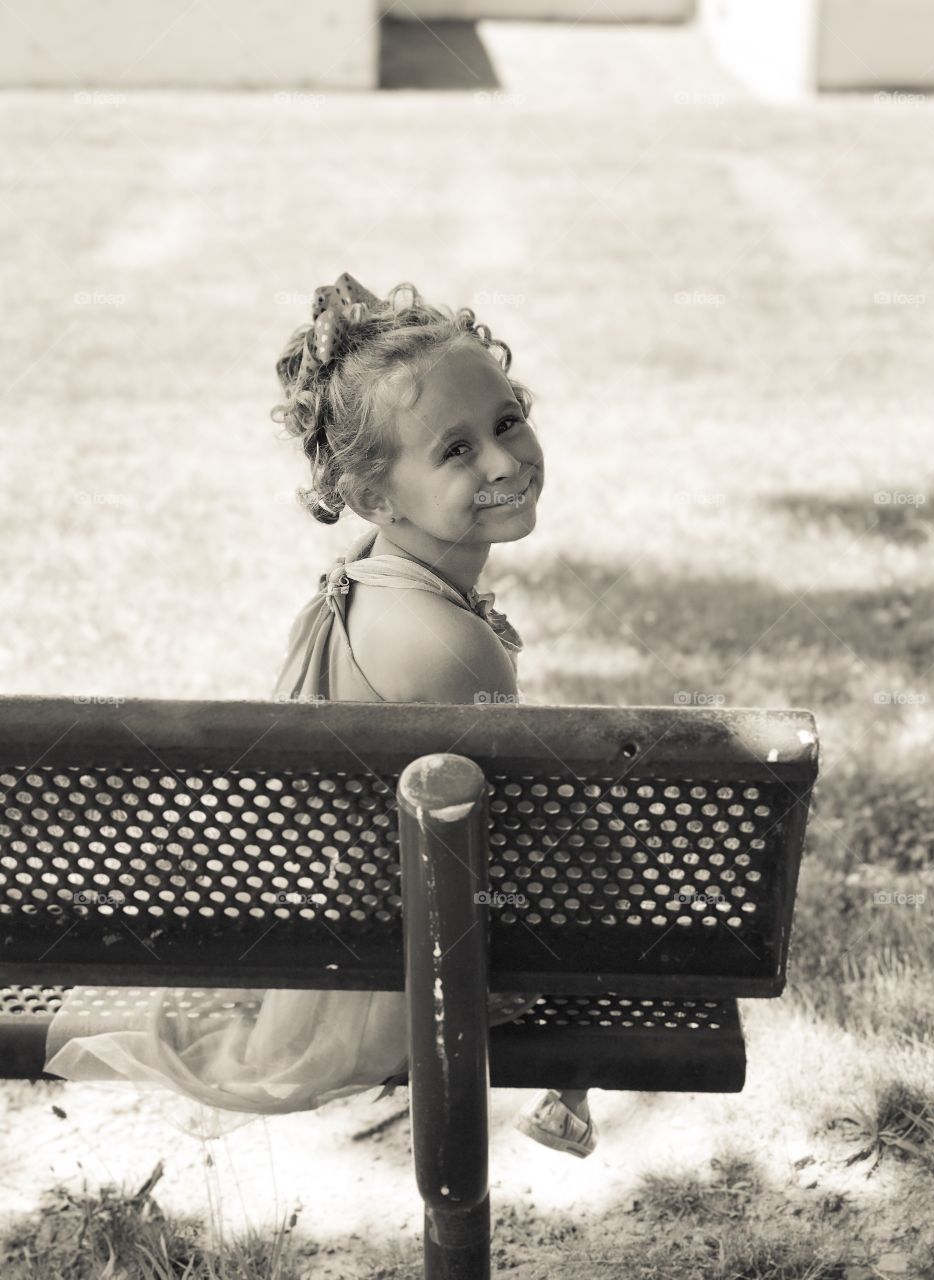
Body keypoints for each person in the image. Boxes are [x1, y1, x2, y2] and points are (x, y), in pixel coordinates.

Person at [43, 273, 596, 1158]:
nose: (502, 461)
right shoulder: (455, 648)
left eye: (505, 422)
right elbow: (504, 853)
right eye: (455, 452)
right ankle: (571, 1092)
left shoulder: (368, 576)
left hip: (348, 933)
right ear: (377, 496)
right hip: (403, 973)